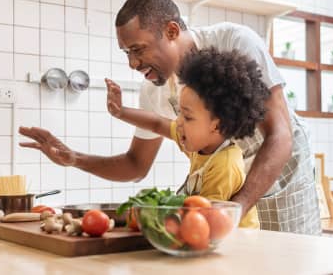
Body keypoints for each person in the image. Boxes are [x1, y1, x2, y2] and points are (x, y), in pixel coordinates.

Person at [19, 0, 321, 235]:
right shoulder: (154, 89)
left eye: (138, 49)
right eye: (127, 53)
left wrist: (238, 207)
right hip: (226, 189)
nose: (133, 64)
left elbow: (279, 134)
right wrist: (73, 159)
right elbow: (136, 165)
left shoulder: (235, 42)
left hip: (281, 174)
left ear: (172, 30)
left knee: (289, 263)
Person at [106, 48, 266, 228]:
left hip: (239, 246)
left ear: (217, 125)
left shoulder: (225, 165)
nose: (179, 122)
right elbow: (157, 124)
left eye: (188, 117)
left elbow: (204, 221)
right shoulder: (201, 145)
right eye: (180, 113)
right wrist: (121, 112)